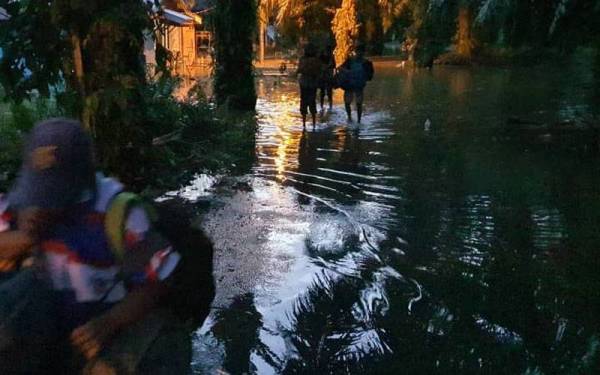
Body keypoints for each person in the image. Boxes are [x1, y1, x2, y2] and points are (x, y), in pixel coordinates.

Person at [0, 118, 182, 374]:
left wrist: (111, 322)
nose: (44, 203)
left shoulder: (118, 213)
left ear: (83, 181)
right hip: (41, 326)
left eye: (53, 194)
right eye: (39, 191)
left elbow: (159, 280)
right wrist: (30, 235)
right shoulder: (25, 204)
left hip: (98, 325)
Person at [337, 43, 374, 123]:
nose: (359, 53)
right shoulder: (350, 60)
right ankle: (350, 117)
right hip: (349, 84)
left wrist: (365, 77)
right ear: (355, 51)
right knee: (347, 102)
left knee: (359, 103)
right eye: (358, 51)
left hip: (359, 84)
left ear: (364, 53)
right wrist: (347, 72)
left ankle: (358, 120)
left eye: (361, 52)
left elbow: (370, 76)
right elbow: (340, 68)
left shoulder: (367, 63)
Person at [296, 42, 322, 127]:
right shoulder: (316, 60)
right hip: (311, 84)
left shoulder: (303, 59)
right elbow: (319, 71)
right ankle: (312, 123)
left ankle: (304, 124)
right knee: (311, 102)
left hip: (305, 83)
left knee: (305, 102)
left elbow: (300, 69)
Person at [318, 44, 336, 111]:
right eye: (328, 51)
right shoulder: (322, 57)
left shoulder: (331, 57)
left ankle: (328, 106)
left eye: (329, 51)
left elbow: (334, 66)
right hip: (324, 76)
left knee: (328, 92)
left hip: (327, 76)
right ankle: (323, 106)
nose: (328, 52)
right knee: (323, 92)